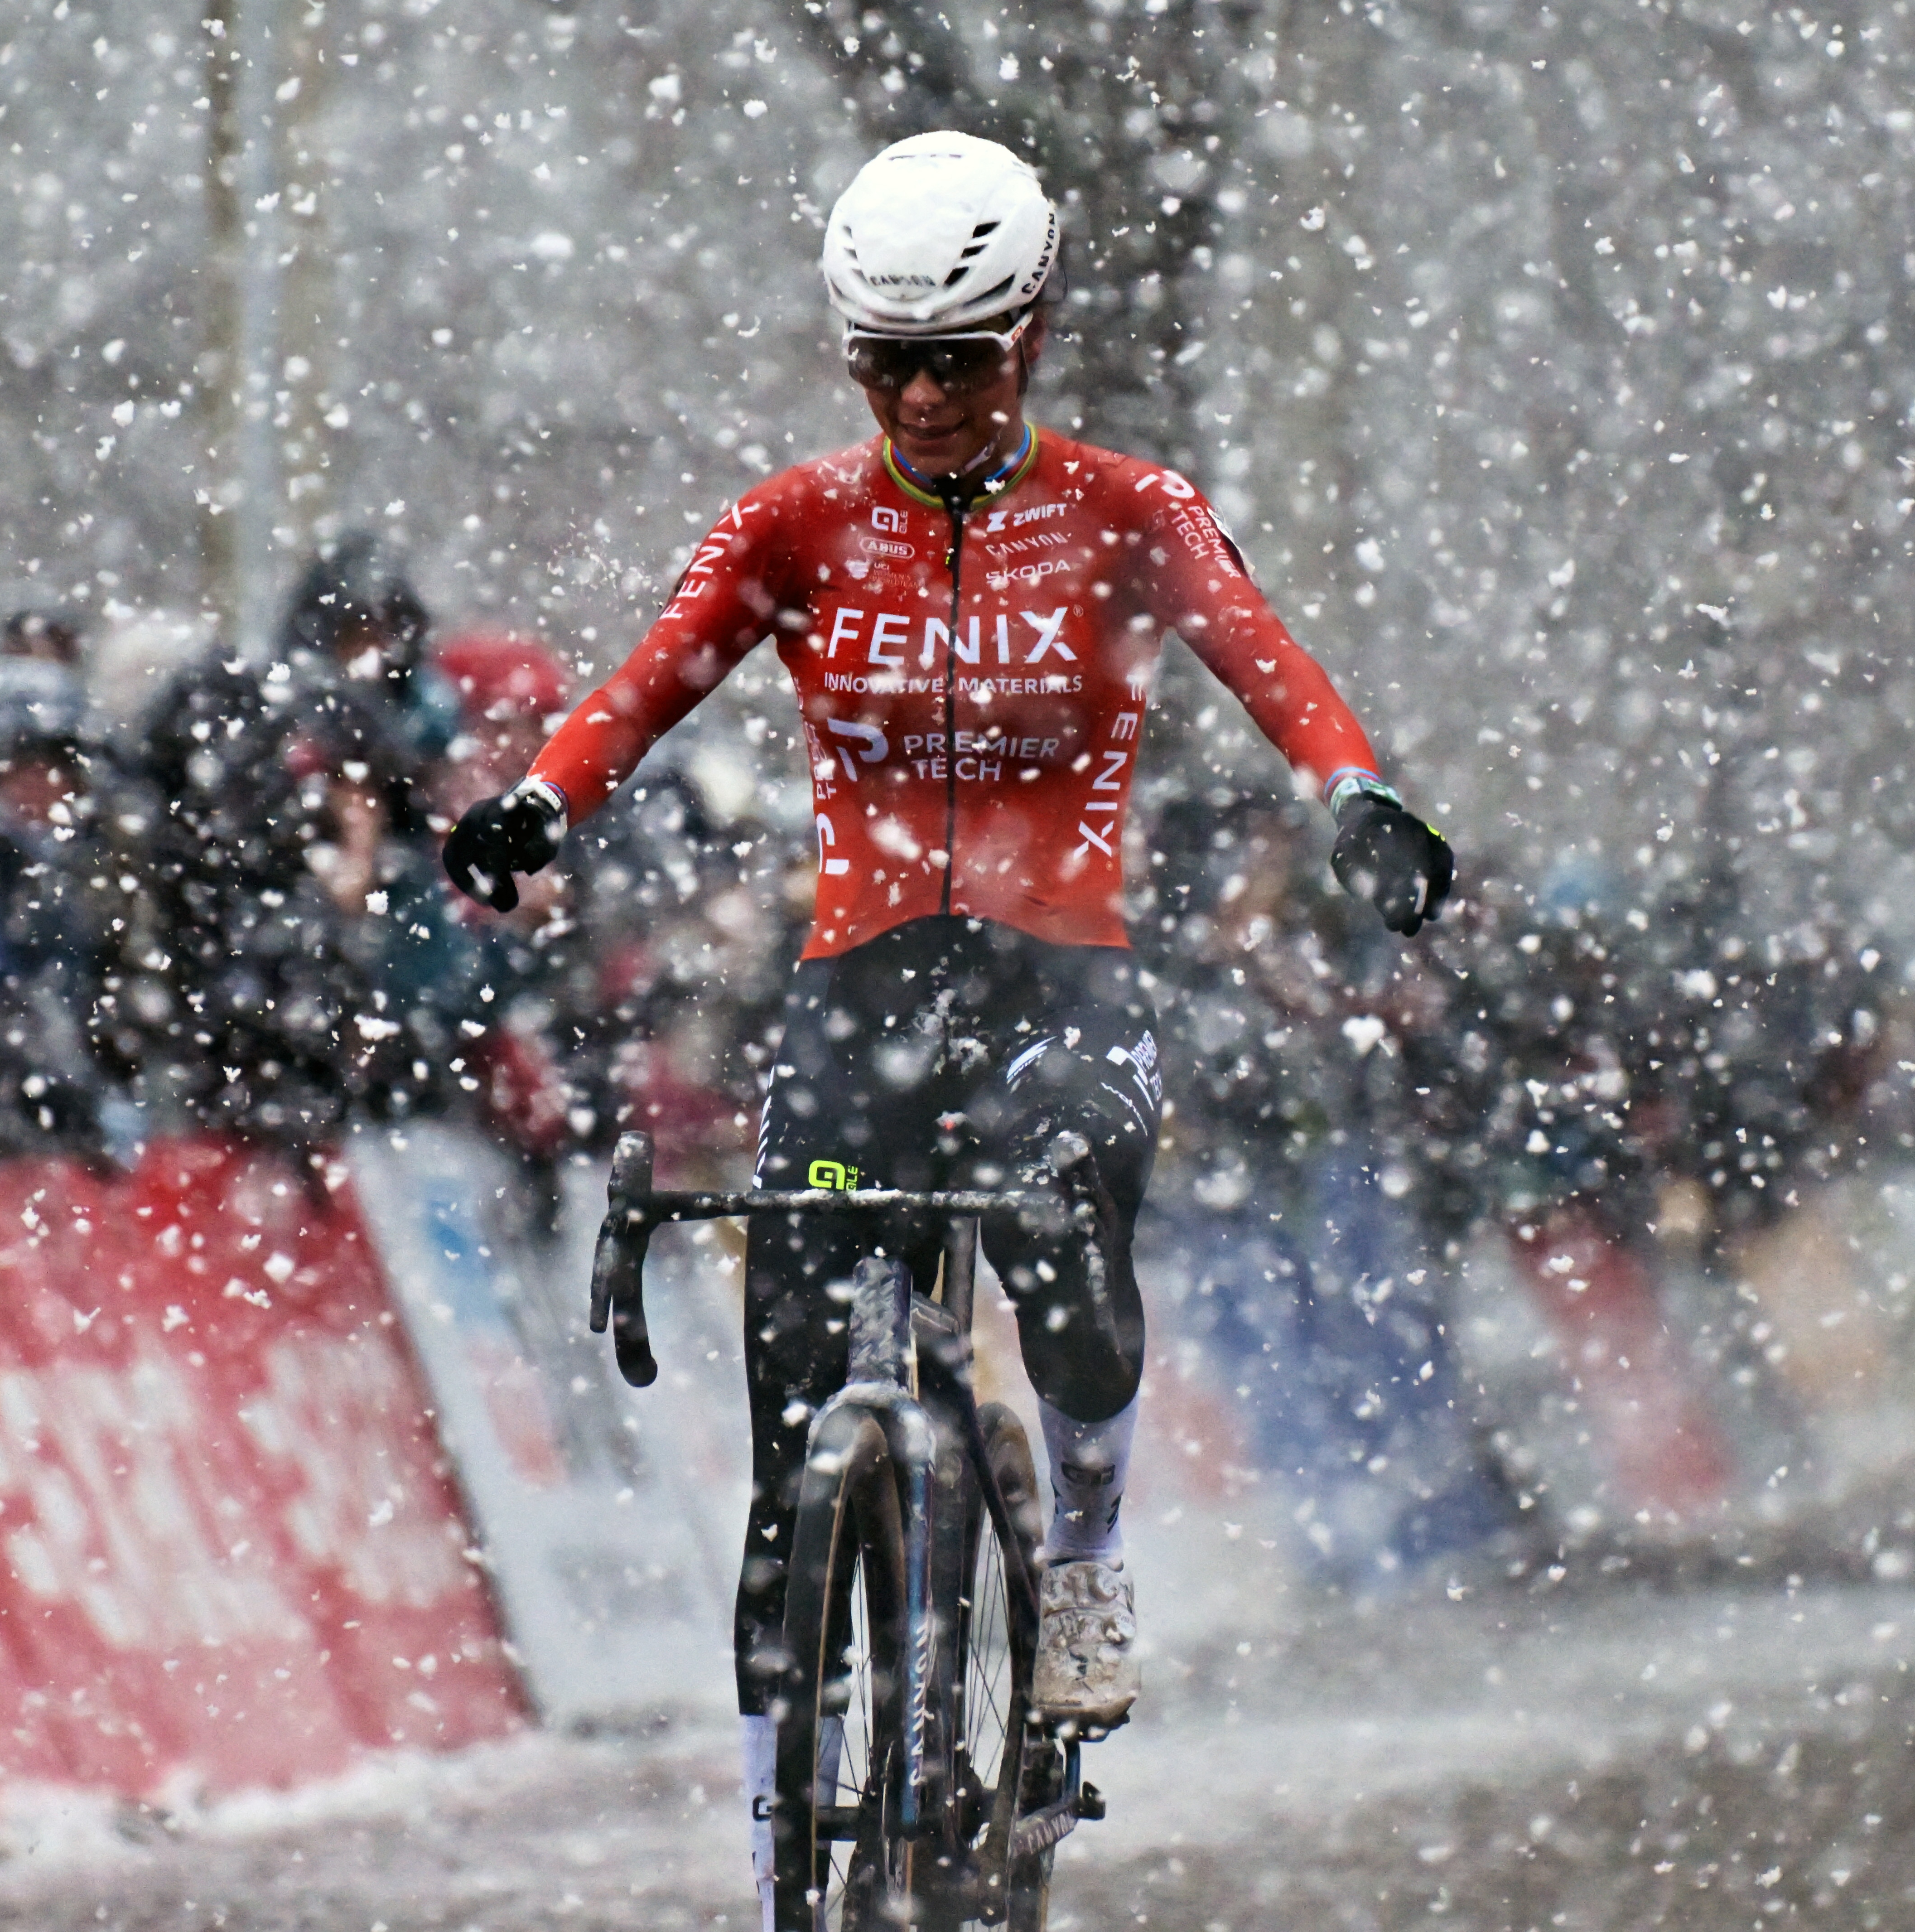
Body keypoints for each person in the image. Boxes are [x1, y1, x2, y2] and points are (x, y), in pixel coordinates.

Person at [439, 129, 1455, 1927]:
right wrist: (545, 798)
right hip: (860, 991)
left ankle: (1079, 1580)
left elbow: (1265, 656)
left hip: (1062, 981)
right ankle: (780, 1857)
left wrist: (1352, 792)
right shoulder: (798, 522)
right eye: (885, 362)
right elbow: (649, 679)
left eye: (960, 357)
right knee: (787, 1420)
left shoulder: (1131, 512)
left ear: (1033, 334)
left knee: (1070, 1287)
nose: (923, 398)